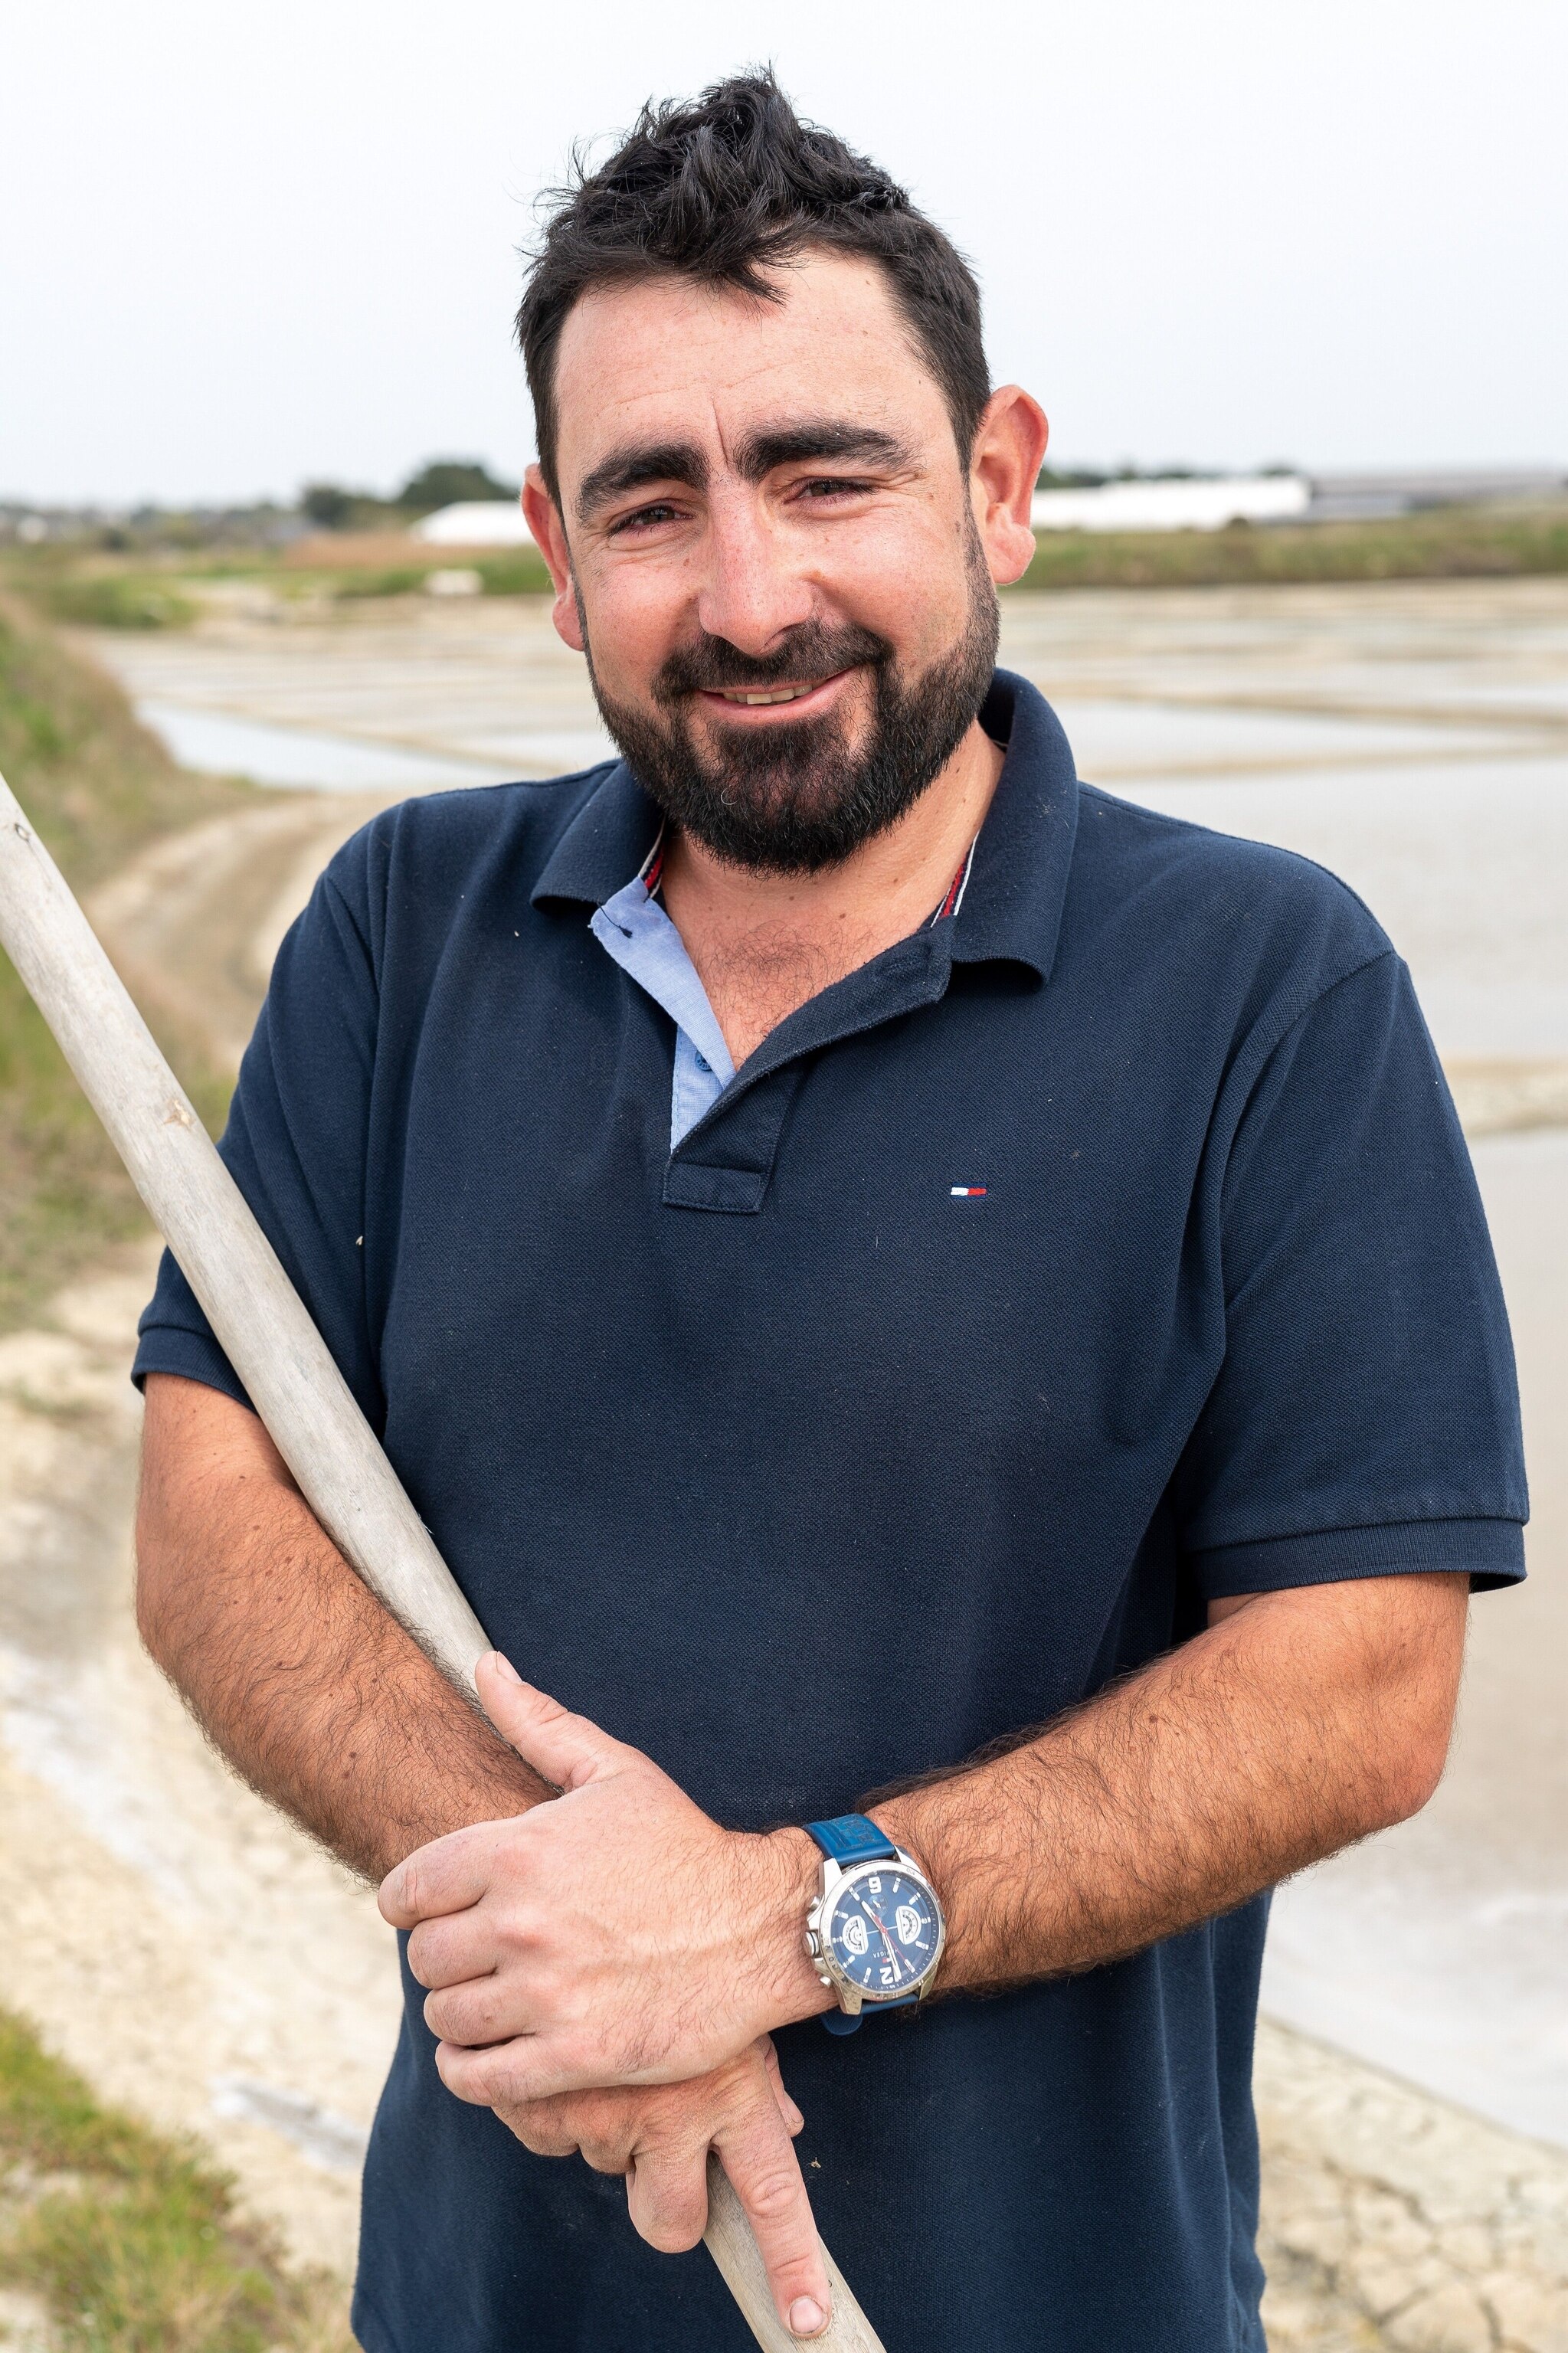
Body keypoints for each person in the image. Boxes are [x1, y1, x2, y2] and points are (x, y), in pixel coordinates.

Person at [132, 71, 1527, 2353]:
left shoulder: (1270, 985)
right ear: (556, 553)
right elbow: (212, 1513)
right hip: (476, 2308)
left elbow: (1362, 1682)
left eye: (827, 475)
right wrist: (585, 1931)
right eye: (651, 506)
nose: (751, 596)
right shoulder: (402, 930)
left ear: (999, 483)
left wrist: (787, 1923)